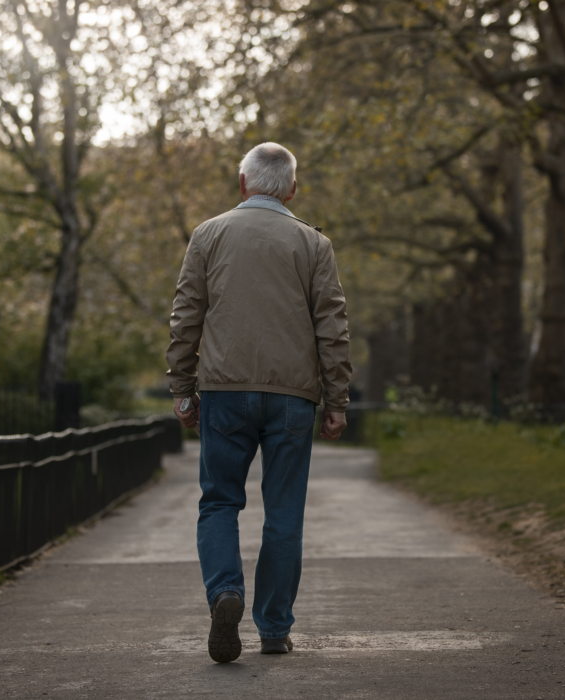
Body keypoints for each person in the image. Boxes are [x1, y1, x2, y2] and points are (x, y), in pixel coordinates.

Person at [166, 142, 352, 663]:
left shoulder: (208, 235)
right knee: (284, 513)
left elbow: (186, 317)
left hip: (224, 393)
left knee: (220, 501)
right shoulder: (314, 245)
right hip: (293, 399)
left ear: (242, 182)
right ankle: (274, 629)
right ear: (292, 189)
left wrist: (183, 389)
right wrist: (336, 398)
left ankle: (226, 593)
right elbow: (331, 327)